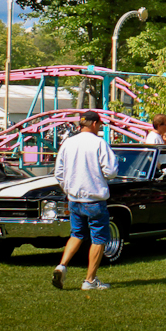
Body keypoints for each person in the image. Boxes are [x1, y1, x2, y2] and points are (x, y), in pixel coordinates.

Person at [51, 110, 118, 291]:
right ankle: (90, 280)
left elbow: (59, 172)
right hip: (95, 198)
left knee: (77, 234)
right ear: (95, 124)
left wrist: (68, 189)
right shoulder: (99, 143)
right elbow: (111, 171)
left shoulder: (68, 143)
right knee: (98, 238)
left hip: (74, 198)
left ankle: (62, 265)